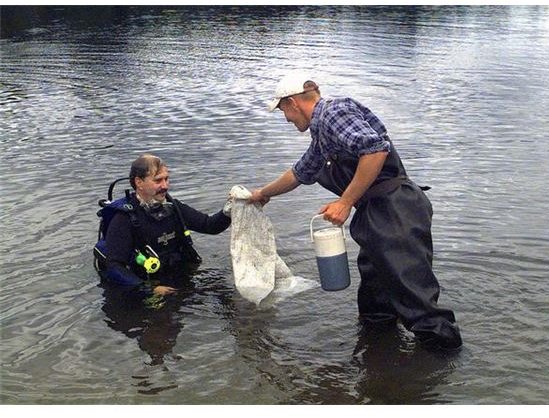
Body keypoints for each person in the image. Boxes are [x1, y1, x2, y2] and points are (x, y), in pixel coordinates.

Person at [247, 72, 462, 350]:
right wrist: (262, 195)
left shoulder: (333, 111)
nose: (286, 118)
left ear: (293, 103)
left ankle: (447, 365)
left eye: (283, 110)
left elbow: (374, 150)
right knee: (376, 301)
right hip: (375, 214)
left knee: (415, 299)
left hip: (396, 211)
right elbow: (301, 172)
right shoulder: (321, 132)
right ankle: (378, 362)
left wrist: (345, 202)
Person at [102, 153, 231, 297]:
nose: (165, 186)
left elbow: (210, 226)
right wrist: (149, 290)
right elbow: (114, 267)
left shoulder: (173, 208)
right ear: (139, 182)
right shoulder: (124, 218)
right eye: (158, 180)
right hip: (143, 287)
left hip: (177, 276)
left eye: (166, 179)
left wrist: (229, 210)